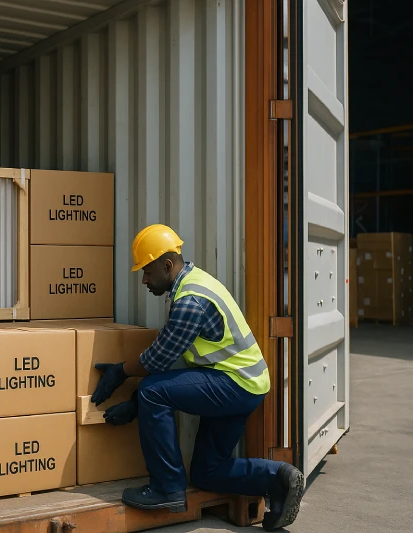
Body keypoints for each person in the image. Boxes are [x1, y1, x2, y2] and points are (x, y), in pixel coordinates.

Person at [92, 224, 304, 531]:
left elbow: (159, 359)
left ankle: (167, 488)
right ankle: (279, 477)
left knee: (152, 391)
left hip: (235, 384)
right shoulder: (192, 283)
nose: (144, 280)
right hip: (242, 383)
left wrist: (120, 373)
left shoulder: (190, 300)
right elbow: (170, 360)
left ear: (167, 265)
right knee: (207, 472)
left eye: (148, 272)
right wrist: (135, 400)